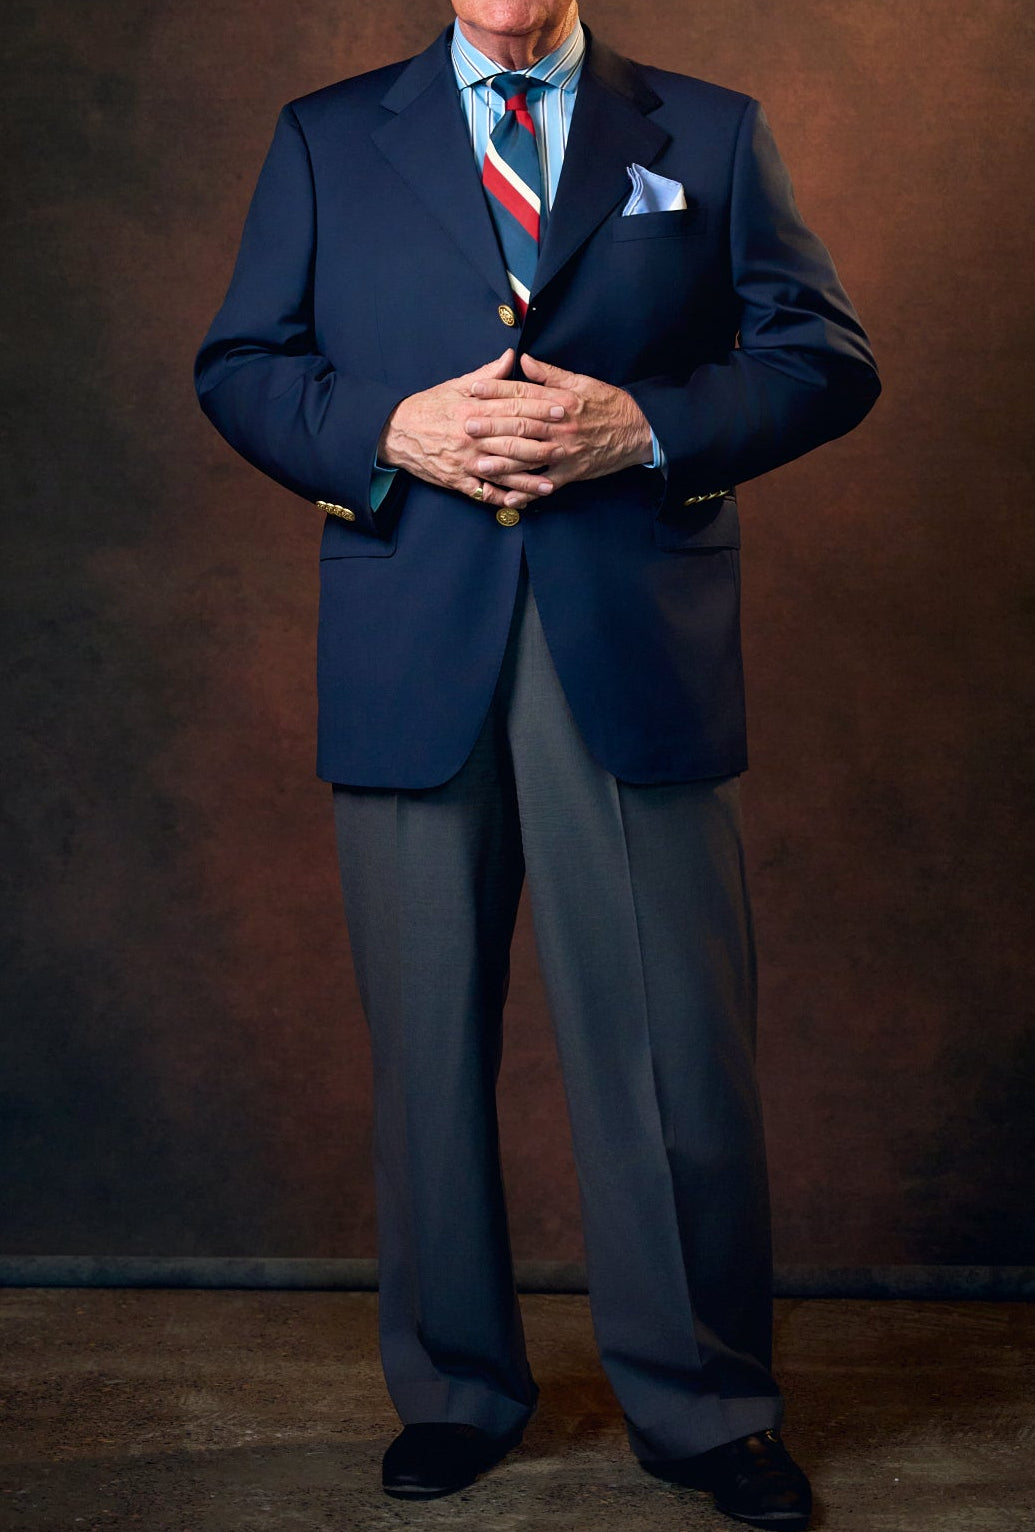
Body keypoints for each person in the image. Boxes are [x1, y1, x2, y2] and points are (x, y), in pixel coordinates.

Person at [194, 2, 879, 1526]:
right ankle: (454, 1390)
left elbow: (825, 356)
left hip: (631, 648)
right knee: (425, 1052)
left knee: (671, 1059)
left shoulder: (710, 130)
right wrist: (386, 429)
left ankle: (707, 1409)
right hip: (408, 645)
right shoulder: (323, 138)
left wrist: (648, 426)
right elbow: (241, 363)